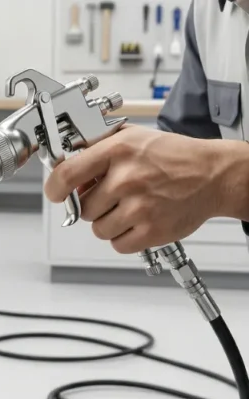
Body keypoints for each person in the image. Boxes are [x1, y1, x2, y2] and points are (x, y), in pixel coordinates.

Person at [45, 0, 249, 254]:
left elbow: (206, 171)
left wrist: (226, 179)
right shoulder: (205, 12)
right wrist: (122, 159)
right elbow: (177, 141)